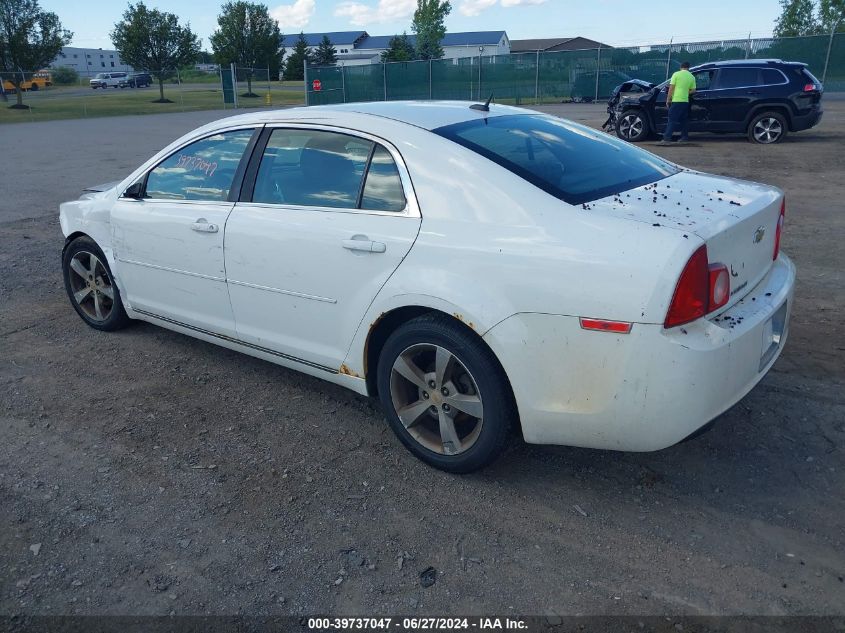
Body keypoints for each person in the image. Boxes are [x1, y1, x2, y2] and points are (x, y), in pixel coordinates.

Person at [657, 61, 696, 145]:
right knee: (684, 120)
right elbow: (693, 90)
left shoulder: (676, 74)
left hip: (676, 100)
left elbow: (671, 87)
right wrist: (685, 93)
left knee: (672, 119)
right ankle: (684, 137)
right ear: (688, 68)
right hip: (685, 101)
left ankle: (667, 138)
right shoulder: (692, 77)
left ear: (681, 67)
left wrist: (668, 99)